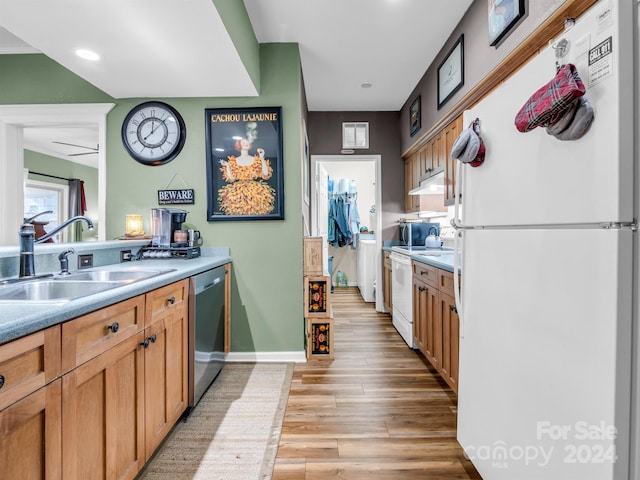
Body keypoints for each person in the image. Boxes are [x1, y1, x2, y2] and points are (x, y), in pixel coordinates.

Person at [217, 136, 275, 215]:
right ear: (239, 145)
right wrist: (227, 166)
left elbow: (265, 174)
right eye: (243, 142)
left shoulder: (256, 160)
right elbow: (231, 178)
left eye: (247, 142)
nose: (246, 144)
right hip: (238, 194)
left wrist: (262, 159)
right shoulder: (233, 161)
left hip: (256, 193)